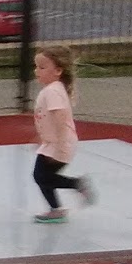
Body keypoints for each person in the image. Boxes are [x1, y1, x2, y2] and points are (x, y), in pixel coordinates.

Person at [31, 46, 95, 223]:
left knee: (41, 176)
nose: (37, 71)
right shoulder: (53, 89)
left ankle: (76, 186)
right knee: (42, 177)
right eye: (36, 67)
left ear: (58, 71)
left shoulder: (53, 91)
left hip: (59, 144)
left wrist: (59, 146)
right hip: (53, 143)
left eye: (42, 67)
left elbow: (60, 119)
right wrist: (43, 137)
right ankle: (57, 208)